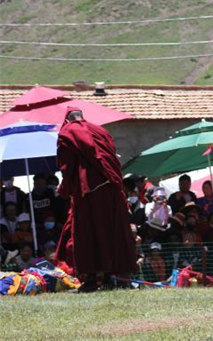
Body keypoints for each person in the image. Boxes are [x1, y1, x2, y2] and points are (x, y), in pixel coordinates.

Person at [55, 109, 137, 292]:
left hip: (89, 192)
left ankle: (91, 280)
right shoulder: (101, 131)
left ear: (67, 119)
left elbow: (67, 166)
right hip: (112, 189)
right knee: (113, 231)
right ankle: (115, 278)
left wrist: (64, 189)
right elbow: (111, 158)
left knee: (88, 234)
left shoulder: (68, 132)